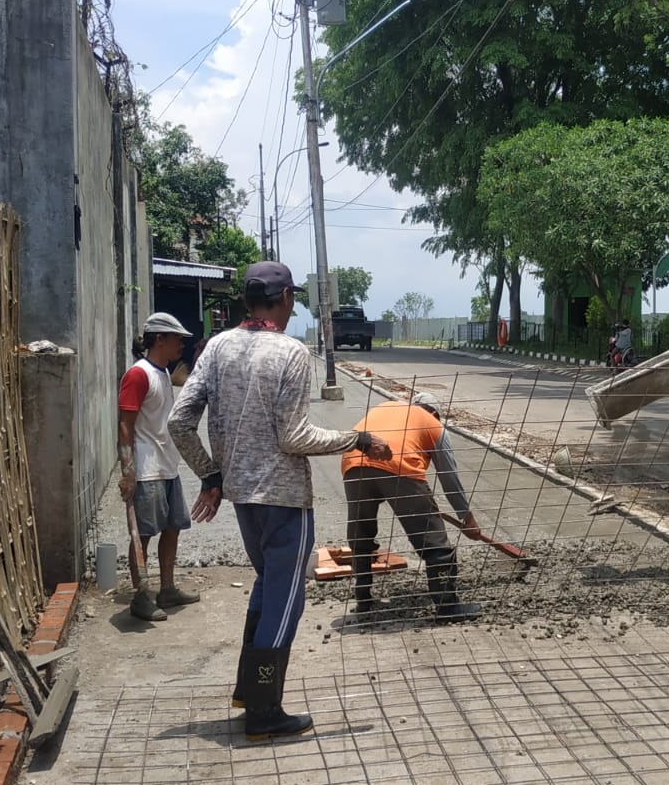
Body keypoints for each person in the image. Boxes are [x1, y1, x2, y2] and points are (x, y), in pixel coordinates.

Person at [168, 261, 394, 739]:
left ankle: (248, 693)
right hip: (284, 498)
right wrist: (356, 439)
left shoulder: (217, 347)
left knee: (268, 588)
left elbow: (179, 422)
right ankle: (264, 711)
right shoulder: (291, 352)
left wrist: (211, 474)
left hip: (242, 498)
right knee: (286, 602)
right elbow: (295, 437)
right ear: (287, 298)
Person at [340, 392, 482, 624]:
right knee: (434, 542)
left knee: (361, 535)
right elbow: (449, 478)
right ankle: (448, 607)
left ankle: (363, 600)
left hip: (353, 463)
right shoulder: (433, 424)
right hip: (399, 466)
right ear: (434, 413)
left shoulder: (387, 407)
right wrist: (467, 518)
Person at [118, 312, 200, 622]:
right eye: (177, 338)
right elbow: (125, 425)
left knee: (172, 527)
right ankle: (141, 596)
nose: (182, 344)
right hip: (147, 466)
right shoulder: (138, 375)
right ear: (160, 339)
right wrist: (128, 471)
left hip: (167, 463)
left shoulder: (163, 372)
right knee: (143, 533)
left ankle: (167, 588)